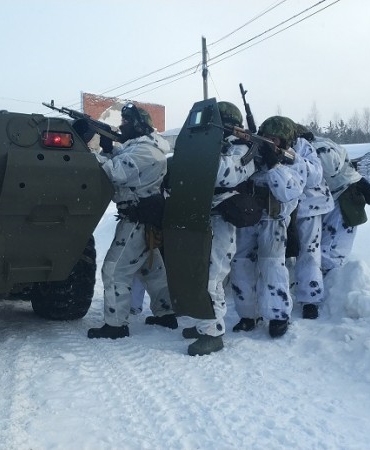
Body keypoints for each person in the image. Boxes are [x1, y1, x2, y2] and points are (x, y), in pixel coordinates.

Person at [87, 103, 176, 339]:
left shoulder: (146, 151)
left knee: (114, 270)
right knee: (151, 270)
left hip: (137, 219)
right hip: (141, 216)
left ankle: (116, 325)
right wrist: (108, 147)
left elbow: (116, 172)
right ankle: (166, 312)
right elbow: (123, 159)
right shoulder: (141, 148)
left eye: (126, 122)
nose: (121, 126)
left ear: (138, 126)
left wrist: (95, 155)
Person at [180, 101, 256, 356]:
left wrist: (210, 148)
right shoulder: (217, 146)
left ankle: (213, 332)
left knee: (210, 277)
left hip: (221, 221)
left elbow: (224, 174)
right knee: (193, 274)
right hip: (198, 216)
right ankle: (200, 322)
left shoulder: (244, 149)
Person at [229, 116, 304, 338]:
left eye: (275, 140)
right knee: (241, 264)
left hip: (274, 220)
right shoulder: (252, 153)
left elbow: (288, 192)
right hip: (248, 217)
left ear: (285, 142)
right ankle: (247, 315)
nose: (270, 142)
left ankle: (278, 315)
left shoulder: (293, 162)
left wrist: (274, 165)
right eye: (266, 138)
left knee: (272, 268)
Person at [288, 124, 334, 320]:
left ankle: (310, 300)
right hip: (281, 207)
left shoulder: (304, 146)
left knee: (309, 252)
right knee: (275, 256)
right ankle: (277, 300)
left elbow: (315, 175)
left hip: (310, 205)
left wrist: (291, 157)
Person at [313, 137, 370, 277]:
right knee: (328, 245)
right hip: (337, 196)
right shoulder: (323, 143)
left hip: (345, 197)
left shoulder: (319, 147)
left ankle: (334, 285)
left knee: (332, 249)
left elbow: (330, 168)